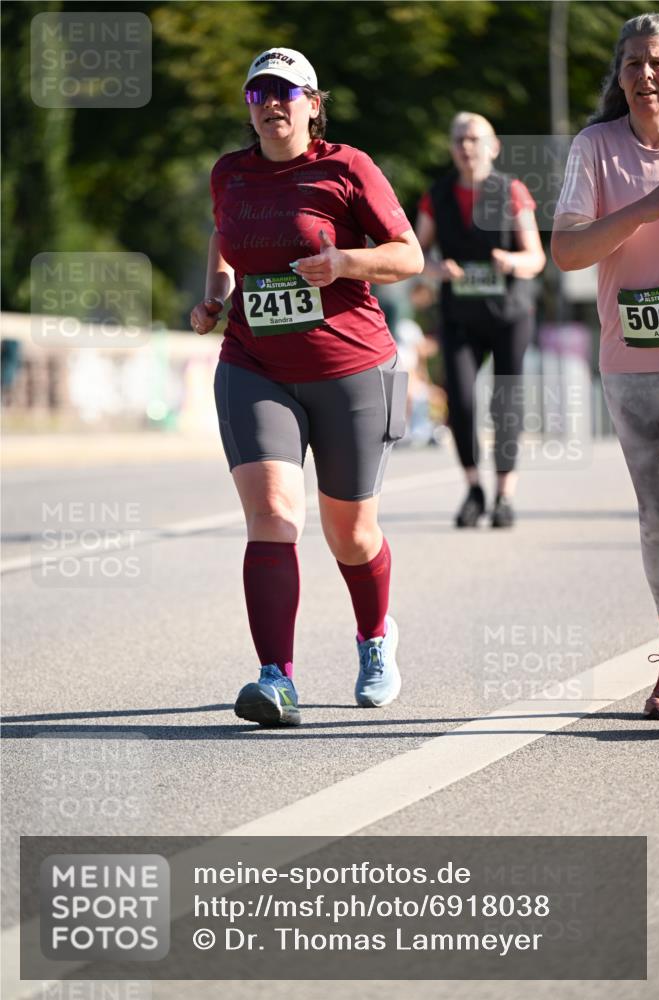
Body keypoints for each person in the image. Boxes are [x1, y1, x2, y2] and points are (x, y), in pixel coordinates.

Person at [189, 48, 423, 727]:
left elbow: (407, 254)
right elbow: (221, 239)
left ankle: (375, 637)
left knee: (349, 534)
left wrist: (344, 261)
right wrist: (214, 296)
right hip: (254, 365)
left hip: (354, 369)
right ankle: (275, 679)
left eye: (285, 93)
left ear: (313, 104)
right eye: (257, 92)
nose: (270, 104)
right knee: (271, 515)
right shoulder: (229, 173)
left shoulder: (346, 167)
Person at [552, 12, 659, 720]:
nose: (646, 75)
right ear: (617, 75)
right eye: (632, 64)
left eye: (656, 61)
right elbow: (565, 253)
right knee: (657, 520)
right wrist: (644, 208)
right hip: (632, 359)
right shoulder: (595, 149)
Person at [416, 113, 546, 527]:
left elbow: (536, 258)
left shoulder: (511, 191)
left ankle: (505, 493)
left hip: (509, 313)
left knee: (505, 402)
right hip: (460, 315)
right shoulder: (435, 195)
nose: (466, 147)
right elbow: (416, 256)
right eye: (459, 139)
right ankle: (474, 488)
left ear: (493, 146)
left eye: (474, 139)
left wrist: (510, 260)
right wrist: (438, 270)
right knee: (462, 400)